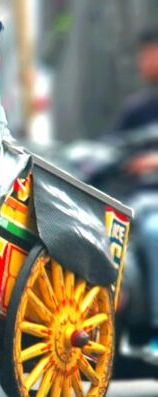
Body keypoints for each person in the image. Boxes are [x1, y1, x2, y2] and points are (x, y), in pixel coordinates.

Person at [114, 24, 158, 355]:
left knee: (155, 231)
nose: (144, 62)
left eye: (149, 53)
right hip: (137, 199)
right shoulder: (136, 109)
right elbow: (113, 150)